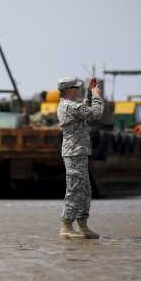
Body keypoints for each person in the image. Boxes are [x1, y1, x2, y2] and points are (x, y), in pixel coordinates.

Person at [57, 76, 104, 239]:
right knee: (75, 189)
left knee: (84, 190)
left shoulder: (70, 105)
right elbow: (95, 113)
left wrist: (90, 95)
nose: (78, 90)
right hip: (73, 152)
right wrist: (97, 96)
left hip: (78, 152)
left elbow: (83, 108)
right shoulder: (69, 106)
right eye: (76, 88)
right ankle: (66, 226)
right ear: (69, 90)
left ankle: (83, 225)